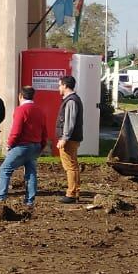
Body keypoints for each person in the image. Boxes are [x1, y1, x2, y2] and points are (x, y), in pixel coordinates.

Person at [0, 85, 48, 207]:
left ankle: (0, 198)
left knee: (5, 169)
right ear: (33, 96)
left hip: (22, 146)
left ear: (20, 96)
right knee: (31, 172)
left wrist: (9, 144)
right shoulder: (40, 110)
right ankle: (30, 201)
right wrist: (41, 146)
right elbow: (44, 132)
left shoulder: (21, 110)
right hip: (35, 146)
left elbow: (16, 131)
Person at [57, 74, 84, 204]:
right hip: (72, 138)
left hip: (69, 139)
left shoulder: (71, 101)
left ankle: (71, 193)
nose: (59, 88)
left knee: (70, 166)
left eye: (60, 85)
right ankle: (75, 191)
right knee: (73, 165)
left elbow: (70, 121)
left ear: (65, 86)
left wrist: (64, 138)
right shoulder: (73, 99)